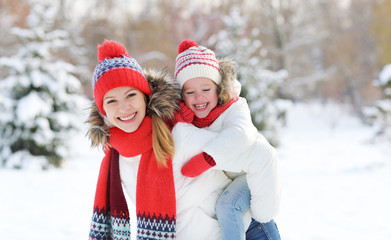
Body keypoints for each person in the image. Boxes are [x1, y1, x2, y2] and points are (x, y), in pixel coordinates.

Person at [87, 40, 250, 240]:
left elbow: (247, 161)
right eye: (111, 100)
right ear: (103, 110)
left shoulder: (178, 133)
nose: (124, 108)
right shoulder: (115, 156)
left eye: (131, 95)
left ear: (145, 97)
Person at [174, 39, 281, 240]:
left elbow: (240, 134)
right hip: (231, 177)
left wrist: (205, 159)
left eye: (206, 89)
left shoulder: (234, 106)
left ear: (218, 87)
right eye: (190, 92)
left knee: (229, 206)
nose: (199, 98)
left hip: (251, 175)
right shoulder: (188, 118)